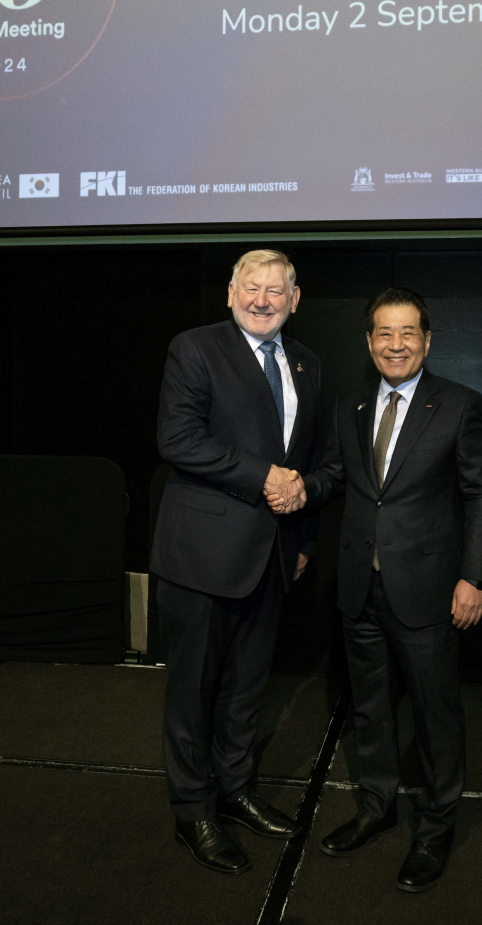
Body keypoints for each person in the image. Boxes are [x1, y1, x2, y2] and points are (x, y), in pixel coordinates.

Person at [282, 286, 482, 893]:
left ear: (426, 341)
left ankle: (435, 827)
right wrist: (299, 488)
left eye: (408, 333)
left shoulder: (459, 406)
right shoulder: (350, 407)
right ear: (369, 342)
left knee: (436, 716)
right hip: (358, 589)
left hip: (431, 591)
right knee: (371, 712)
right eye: (384, 333)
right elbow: (335, 477)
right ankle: (377, 809)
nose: (395, 344)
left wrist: (472, 577)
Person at [151, 249, 321, 875]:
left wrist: (302, 538)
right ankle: (192, 810)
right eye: (252, 288)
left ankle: (235, 791)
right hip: (202, 557)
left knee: (247, 692)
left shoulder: (307, 363)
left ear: (294, 300)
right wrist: (264, 477)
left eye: (277, 291)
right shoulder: (194, 349)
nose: (263, 300)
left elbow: (308, 458)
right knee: (193, 693)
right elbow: (178, 438)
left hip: (272, 559)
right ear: (230, 292)